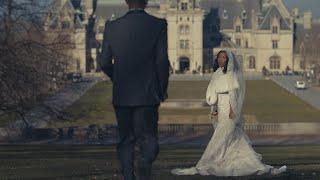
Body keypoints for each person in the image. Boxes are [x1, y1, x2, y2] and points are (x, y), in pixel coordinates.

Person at [171, 49, 287, 176]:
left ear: (228, 60)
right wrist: (214, 109)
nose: (221, 59)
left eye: (224, 58)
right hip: (221, 108)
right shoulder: (217, 74)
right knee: (237, 140)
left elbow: (233, 94)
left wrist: (233, 111)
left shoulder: (231, 74)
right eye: (219, 57)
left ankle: (205, 163)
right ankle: (254, 165)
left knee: (220, 138)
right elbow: (215, 94)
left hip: (229, 109)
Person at [98, 0, 170, 179]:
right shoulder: (158, 25)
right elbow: (161, 61)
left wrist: (118, 77)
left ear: (126, 2)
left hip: (122, 94)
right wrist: (161, 88)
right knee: (149, 140)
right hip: (147, 94)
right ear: (146, 2)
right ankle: (144, 167)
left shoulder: (112, 26)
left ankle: (129, 176)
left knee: (125, 140)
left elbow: (104, 62)